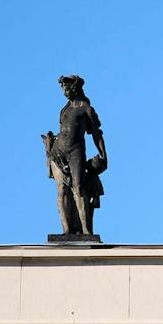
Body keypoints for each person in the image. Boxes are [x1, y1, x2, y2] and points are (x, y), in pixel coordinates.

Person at [42, 75, 106, 237]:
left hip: (76, 152)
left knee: (78, 187)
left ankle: (86, 231)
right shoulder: (64, 109)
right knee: (62, 189)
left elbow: (96, 133)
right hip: (58, 152)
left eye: (66, 87)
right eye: (63, 88)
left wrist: (103, 154)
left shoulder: (86, 108)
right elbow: (64, 131)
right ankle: (67, 231)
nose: (64, 90)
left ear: (75, 87)